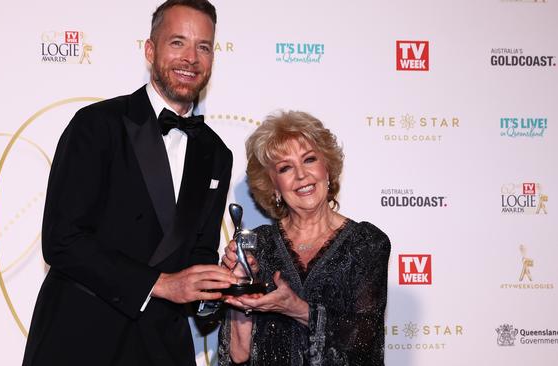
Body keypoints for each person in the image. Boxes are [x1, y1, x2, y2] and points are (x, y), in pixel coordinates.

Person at [22, 1, 236, 365]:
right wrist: (161, 284)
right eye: (177, 42)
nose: (191, 58)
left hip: (161, 346)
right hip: (80, 337)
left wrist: (217, 284)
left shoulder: (216, 153)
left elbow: (198, 254)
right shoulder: (97, 125)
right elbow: (62, 240)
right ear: (150, 50)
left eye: (203, 46)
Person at [218, 111, 391, 366]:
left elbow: (365, 341)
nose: (301, 175)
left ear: (327, 168)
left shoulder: (367, 243)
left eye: (309, 160)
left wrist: (297, 308)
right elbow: (239, 353)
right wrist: (240, 286)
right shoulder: (258, 245)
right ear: (274, 186)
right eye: (285, 167)